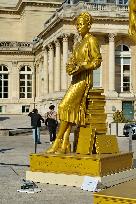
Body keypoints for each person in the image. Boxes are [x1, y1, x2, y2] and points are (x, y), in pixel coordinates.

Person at [46, 12, 102, 154]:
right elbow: (71, 62)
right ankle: (65, 144)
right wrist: (70, 67)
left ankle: (57, 142)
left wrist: (84, 66)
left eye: (81, 24)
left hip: (84, 79)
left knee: (64, 106)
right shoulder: (78, 44)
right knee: (68, 111)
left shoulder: (91, 40)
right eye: (77, 24)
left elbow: (97, 60)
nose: (78, 27)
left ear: (88, 25)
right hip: (76, 78)